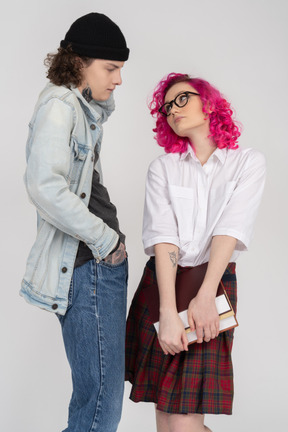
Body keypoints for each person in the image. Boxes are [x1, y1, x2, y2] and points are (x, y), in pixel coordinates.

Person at [125, 73, 266, 432]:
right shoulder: (163, 168)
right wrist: (168, 312)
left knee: (183, 420)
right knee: (167, 415)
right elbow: (164, 240)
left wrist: (206, 295)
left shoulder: (247, 163)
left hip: (213, 285)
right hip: (163, 286)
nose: (173, 110)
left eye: (182, 99)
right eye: (167, 106)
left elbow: (230, 230)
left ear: (209, 102)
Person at [20, 12, 129, 432]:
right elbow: (44, 186)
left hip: (98, 265)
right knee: (100, 408)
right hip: (90, 265)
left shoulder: (79, 107)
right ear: (80, 62)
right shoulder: (61, 105)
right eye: (111, 68)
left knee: (97, 401)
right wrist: (105, 241)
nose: (118, 79)